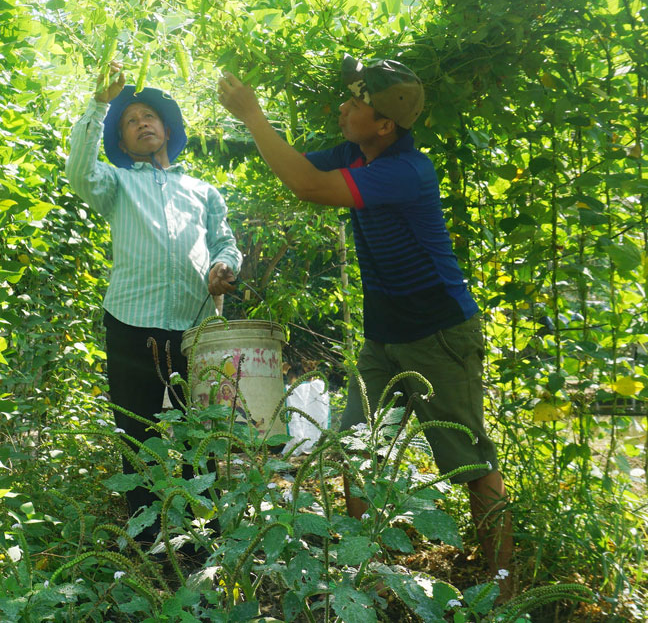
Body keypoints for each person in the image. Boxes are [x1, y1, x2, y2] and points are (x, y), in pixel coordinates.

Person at [216, 56, 513, 583]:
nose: (344, 108)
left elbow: (307, 186)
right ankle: (365, 571)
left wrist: (254, 117)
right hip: (382, 338)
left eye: (358, 104)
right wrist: (248, 128)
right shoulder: (357, 154)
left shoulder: (405, 171)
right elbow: (299, 167)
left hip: (438, 334)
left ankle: (503, 587)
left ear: (385, 124)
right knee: (355, 446)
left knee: (469, 462)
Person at [66, 63, 242, 546]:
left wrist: (226, 268)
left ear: (168, 130)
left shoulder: (203, 191)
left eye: (150, 116)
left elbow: (226, 243)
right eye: (131, 120)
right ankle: (148, 541)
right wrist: (101, 103)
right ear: (122, 142)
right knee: (137, 433)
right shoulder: (117, 184)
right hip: (131, 324)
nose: (142, 122)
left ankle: (206, 531)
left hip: (197, 328)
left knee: (200, 432)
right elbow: (78, 171)